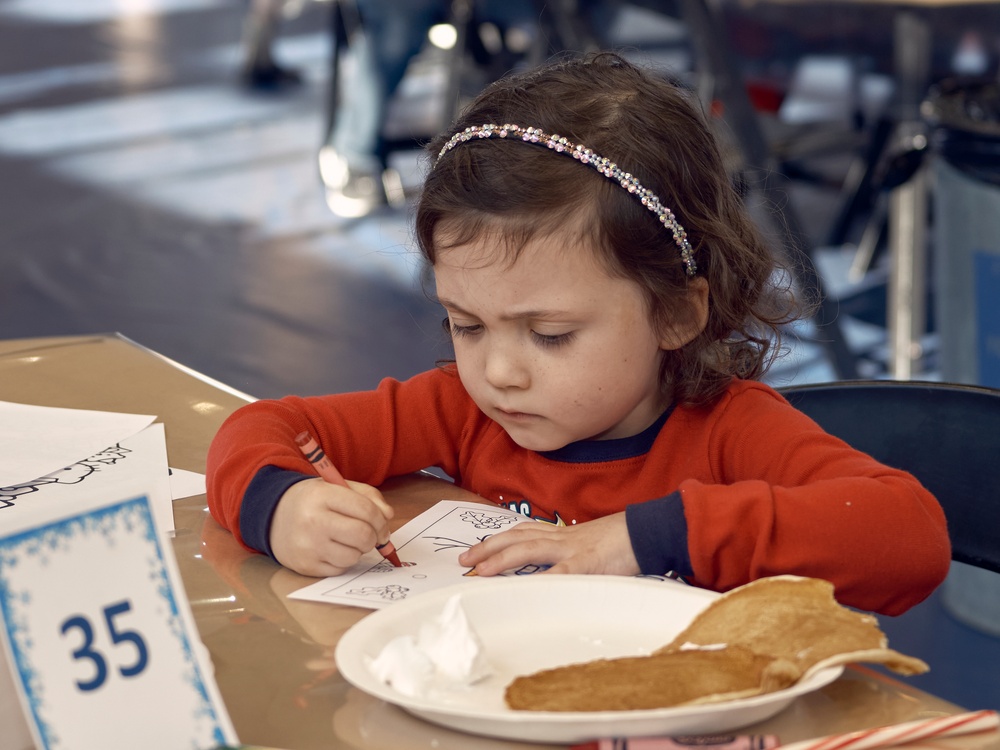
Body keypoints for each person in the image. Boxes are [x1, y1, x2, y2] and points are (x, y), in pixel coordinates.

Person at [207, 52, 950, 616]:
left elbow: (908, 535)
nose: (499, 371)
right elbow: (261, 429)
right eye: (466, 325)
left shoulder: (730, 435)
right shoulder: (460, 410)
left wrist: (641, 538)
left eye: (551, 335)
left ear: (675, 313)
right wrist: (281, 507)